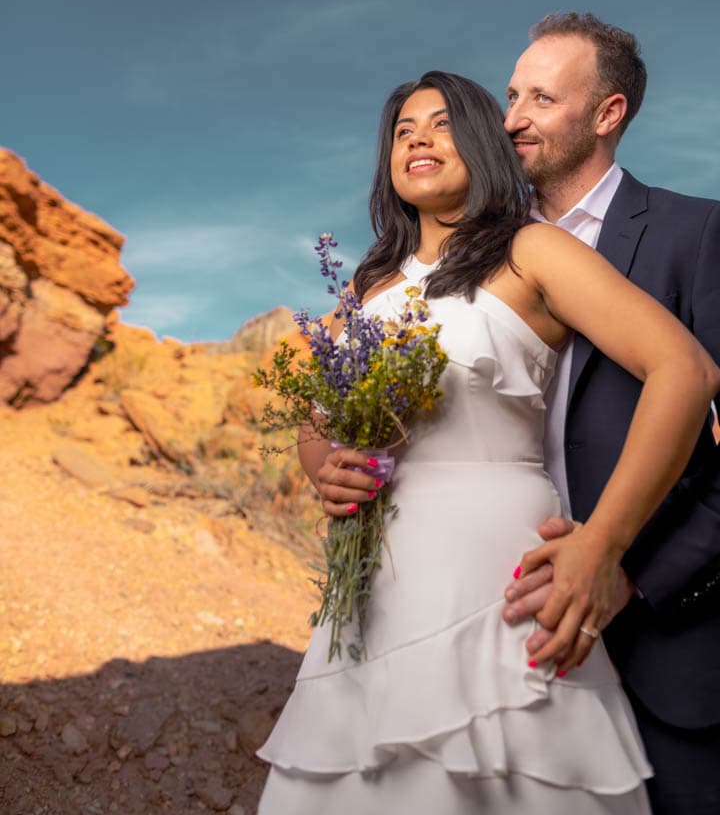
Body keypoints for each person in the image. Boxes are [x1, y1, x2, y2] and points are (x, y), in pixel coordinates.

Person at [257, 71, 718, 814]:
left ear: (481, 141)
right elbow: (316, 417)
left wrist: (602, 544)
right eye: (403, 131)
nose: (418, 140)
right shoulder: (369, 285)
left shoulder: (532, 250)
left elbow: (684, 369)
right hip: (379, 580)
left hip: (499, 570)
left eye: (440, 124)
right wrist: (325, 469)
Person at [501, 12, 720, 815]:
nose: (513, 118)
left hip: (664, 648)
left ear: (607, 114)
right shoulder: (475, 255)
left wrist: (629, 573)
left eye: (542, 99)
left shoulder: (696, 234)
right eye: (511, 95)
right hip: (503, 630)